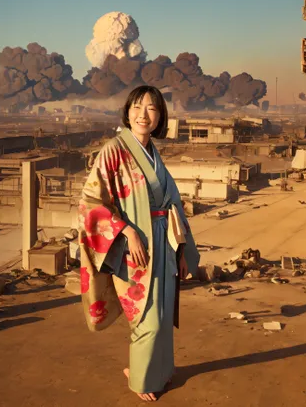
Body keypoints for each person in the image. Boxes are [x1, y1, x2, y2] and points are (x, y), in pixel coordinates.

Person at [78, 85, 200, 402]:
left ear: (160, 116)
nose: (142, 114)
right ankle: (142, 379)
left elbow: (174, 203)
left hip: (164, 242)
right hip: (133, 246)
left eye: (151, 108)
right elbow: (91, 201)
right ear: (127, 112)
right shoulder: (113, 150)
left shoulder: (153, 153)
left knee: (161, 313)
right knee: (145, 315)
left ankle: (155, 370)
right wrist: (126, 232)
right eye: (136, 106)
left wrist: (183, 249)